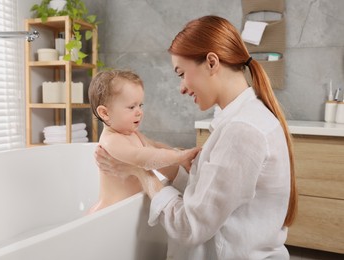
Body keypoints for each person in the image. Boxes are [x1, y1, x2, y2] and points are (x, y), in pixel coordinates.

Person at [95, 15, 298, 259]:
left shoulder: (242, 131)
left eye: (181, 73)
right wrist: (165, 155)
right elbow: (207, 195)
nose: (181, 87)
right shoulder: (239, 119)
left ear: (211, 62)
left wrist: (141, 172)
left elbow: (189, 226)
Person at [87, 69, 201, 213]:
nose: (139, 111)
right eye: (131, 107)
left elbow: (154, 146)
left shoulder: (132, 134)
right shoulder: (111, 141)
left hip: (129, 207)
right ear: (105, 113)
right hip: (110, 211)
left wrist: (177, 156)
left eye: (140, 105)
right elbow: (143, 158)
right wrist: (178, 157)